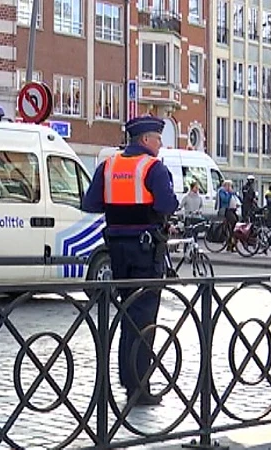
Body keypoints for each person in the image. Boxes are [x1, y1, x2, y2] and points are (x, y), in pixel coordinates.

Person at [82, 115, 178, 406]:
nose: (160, 145)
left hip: (117, 251)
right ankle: (139, 386)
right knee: (144, 319)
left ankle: (127, 380)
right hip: (146, 252)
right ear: (146, 140)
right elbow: (166, 204)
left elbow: (90, 204)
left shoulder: (109, 165)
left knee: (126, 316)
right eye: (158, 139)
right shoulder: (153, 167)